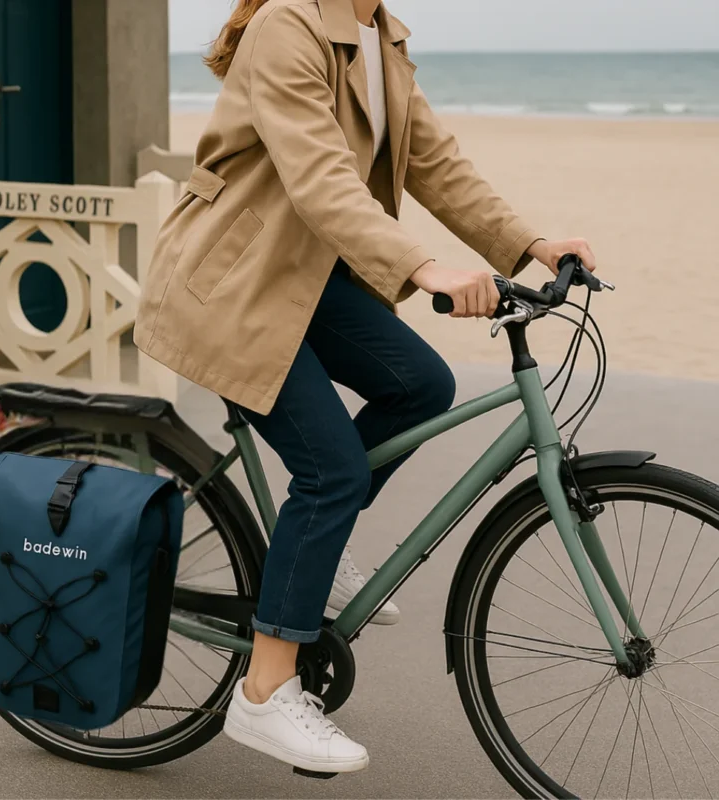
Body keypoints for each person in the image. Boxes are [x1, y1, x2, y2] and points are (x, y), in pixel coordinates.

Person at [135, 0, 596, 775]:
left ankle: (319, 543)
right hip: (232, 286)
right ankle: (264, 691)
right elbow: (319, 178)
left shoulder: (380, 35)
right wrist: (424, 268)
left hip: (303, 276)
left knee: (421, 385)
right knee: (332, 472)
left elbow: (434, 164)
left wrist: (531, 244)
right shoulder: (290, 25)